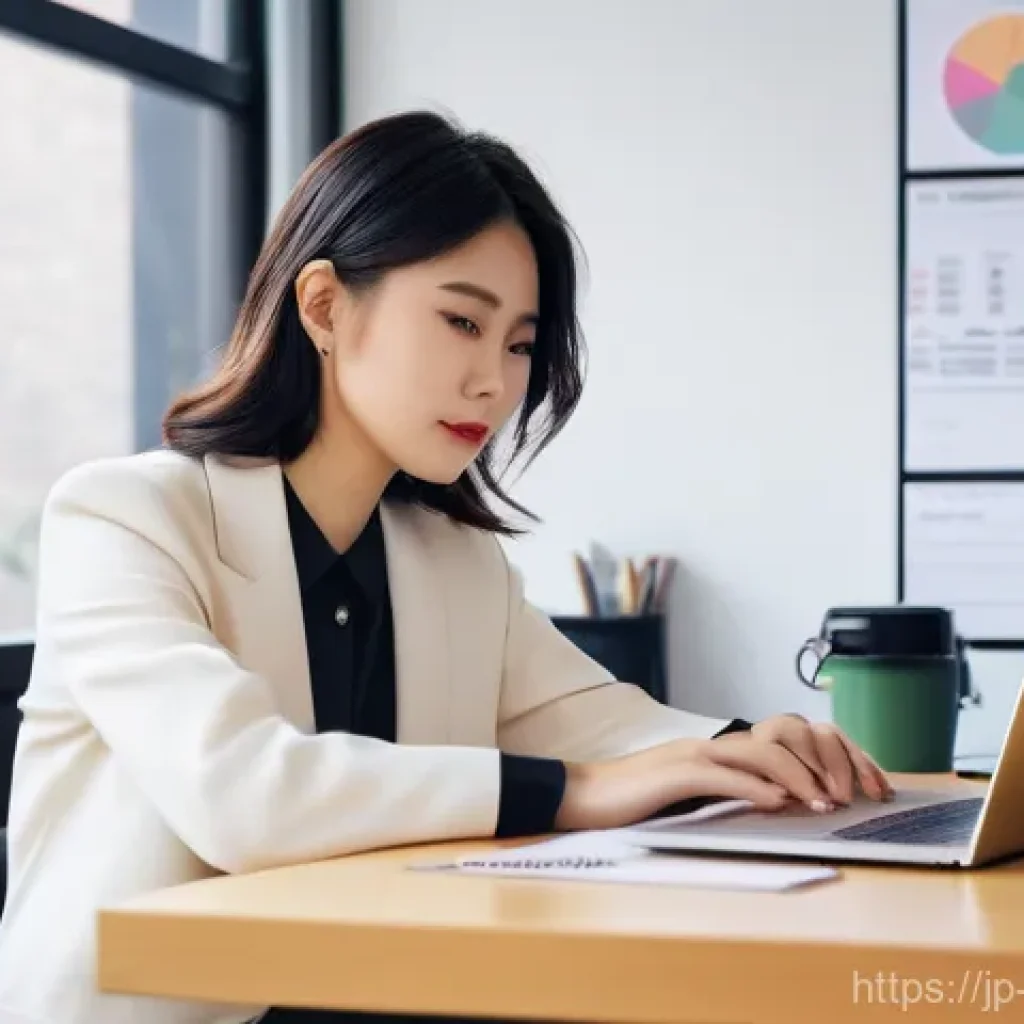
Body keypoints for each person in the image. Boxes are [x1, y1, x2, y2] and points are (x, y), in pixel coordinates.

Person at [0, 110, 892, 1024]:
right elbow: (243, 794)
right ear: (324, 307)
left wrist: (745, 753)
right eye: (461, 320)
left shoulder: (455, 562)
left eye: (517, 343)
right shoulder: (123, 518)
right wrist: (574, 793)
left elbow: (599, 722)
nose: (495, 384)